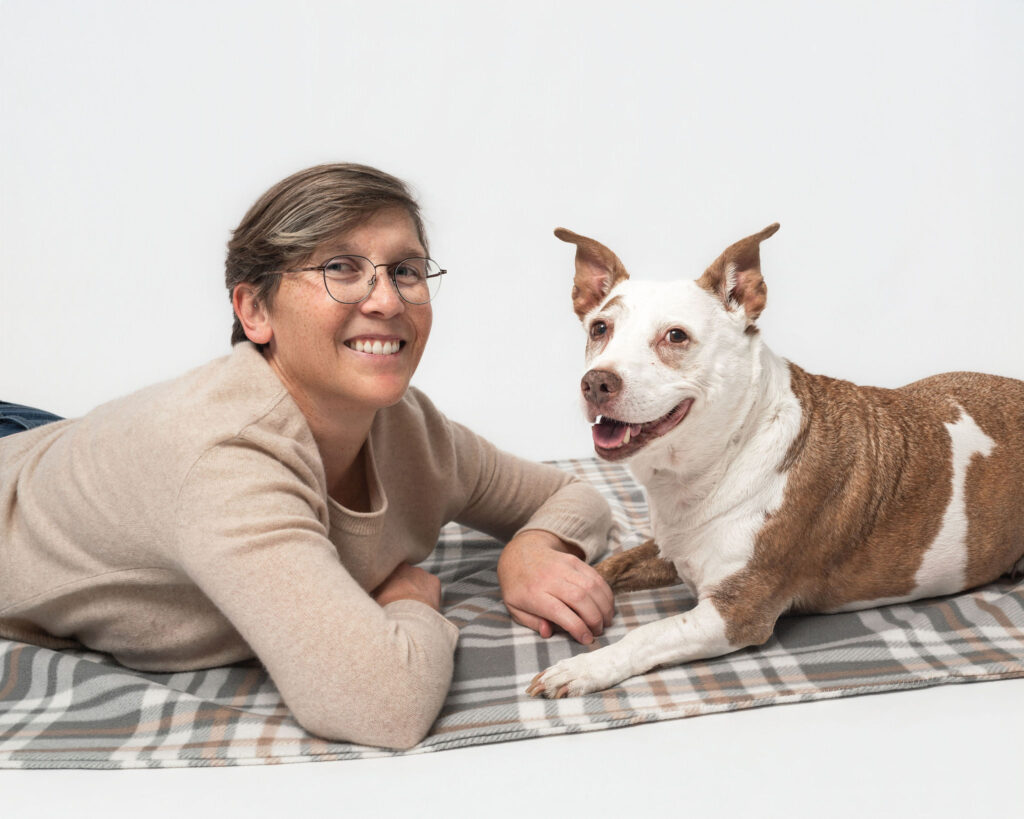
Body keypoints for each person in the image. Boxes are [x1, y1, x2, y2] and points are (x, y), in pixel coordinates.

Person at [0, 163, 613, 750]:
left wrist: (533, 548)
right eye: (341, 268)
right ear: (254, 310)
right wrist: (409, 601)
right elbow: (381, 705)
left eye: (406, 269)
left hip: (64, 447)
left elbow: (570, 496)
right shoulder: (226, 459)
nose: (387, 301)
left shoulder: (410, 430)